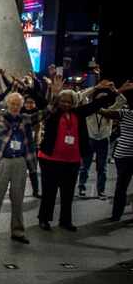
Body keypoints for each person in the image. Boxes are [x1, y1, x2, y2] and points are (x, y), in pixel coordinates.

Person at [37, 77, 116, 232]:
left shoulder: (79, 113)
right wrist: (55, 93)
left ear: (74, 103)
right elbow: (43, 104)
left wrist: (115, 91)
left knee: (68, 193)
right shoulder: (53, 113)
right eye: (63, 101)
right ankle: (44, 219)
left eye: (69, 101)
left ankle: (65, 220)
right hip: (50, 160)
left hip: (72, 161)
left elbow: (97, 104)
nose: (66, 104)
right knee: (49, 191)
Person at [0, 85, 47, 244]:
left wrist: (50, 92)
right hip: (2, 162)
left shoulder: (26, 119)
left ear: (21, 105)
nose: (15, 107)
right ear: (7, 104)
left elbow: (47, 111)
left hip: (20, 162)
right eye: (12, 104)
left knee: (18, 199)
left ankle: (17, 231)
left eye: (18, 104)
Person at [98, 81, 133, 221]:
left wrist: (95, 104)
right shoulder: (124, 112)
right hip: (124, 154)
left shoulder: (124, 113)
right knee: (121, 186)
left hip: (123, 154)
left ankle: (116, 215)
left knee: (121, 186)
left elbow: (103, 111)